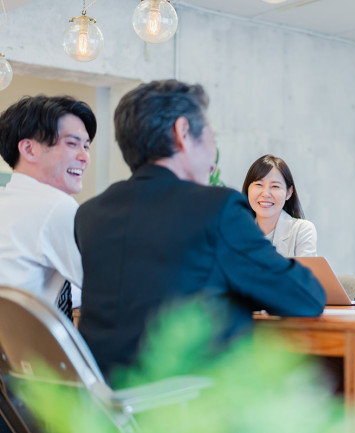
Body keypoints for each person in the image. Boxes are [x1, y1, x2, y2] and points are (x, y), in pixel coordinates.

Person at [74, 80, 325, 379]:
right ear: (183, 133)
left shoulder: (89, 214)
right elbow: (305, 297)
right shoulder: (217, 209)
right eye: (210, 134)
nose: (213, 148)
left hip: (104, 410)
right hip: (193, 407)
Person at [0, 95, 96, 316]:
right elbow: (104, 284)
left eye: (86, 146)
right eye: (72, 144)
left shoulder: (7, 200)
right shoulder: (55, 206)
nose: (84, 157)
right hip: (23, 347)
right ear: (29, 149)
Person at [242, 154, 317, 257]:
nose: (265, 194)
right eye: (259, 184)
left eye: (275, 186)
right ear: (248, 189)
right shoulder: (237, 233)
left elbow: (306, 272)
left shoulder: (302, 231)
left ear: (289, 192)